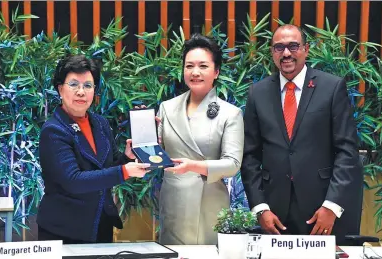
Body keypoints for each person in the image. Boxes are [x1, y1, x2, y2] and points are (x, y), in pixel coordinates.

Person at [241, 24, 363, 245]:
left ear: (306, 49)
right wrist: (260, 208)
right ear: (272, 52)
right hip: (275, 215)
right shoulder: (257, 93)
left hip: (322, 211)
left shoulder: (332, 87)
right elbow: (249, 156)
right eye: (279, 47)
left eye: (293, 46)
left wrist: (332, 206)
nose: (286, 53)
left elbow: (347, 151)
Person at [37, 55, 150, 244]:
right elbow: (73, 181)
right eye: (74, 84)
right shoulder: (53, 130)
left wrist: (127, 157)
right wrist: (123, 171)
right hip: (64, 230)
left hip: (100, 223)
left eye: (88, 86)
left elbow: (109, 165)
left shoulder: (100, 123)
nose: (81, 92)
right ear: (60, 89)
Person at [157, 33, 244, 245]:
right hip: (174, 201)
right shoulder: (167, 108)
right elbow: (158, 154)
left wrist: (193, 166)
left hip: (209, 202)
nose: (195, 72)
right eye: (189, 66)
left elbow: (232, 164)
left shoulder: (230, 113)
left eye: (203, 66)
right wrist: (143, 145)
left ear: (216, 71)